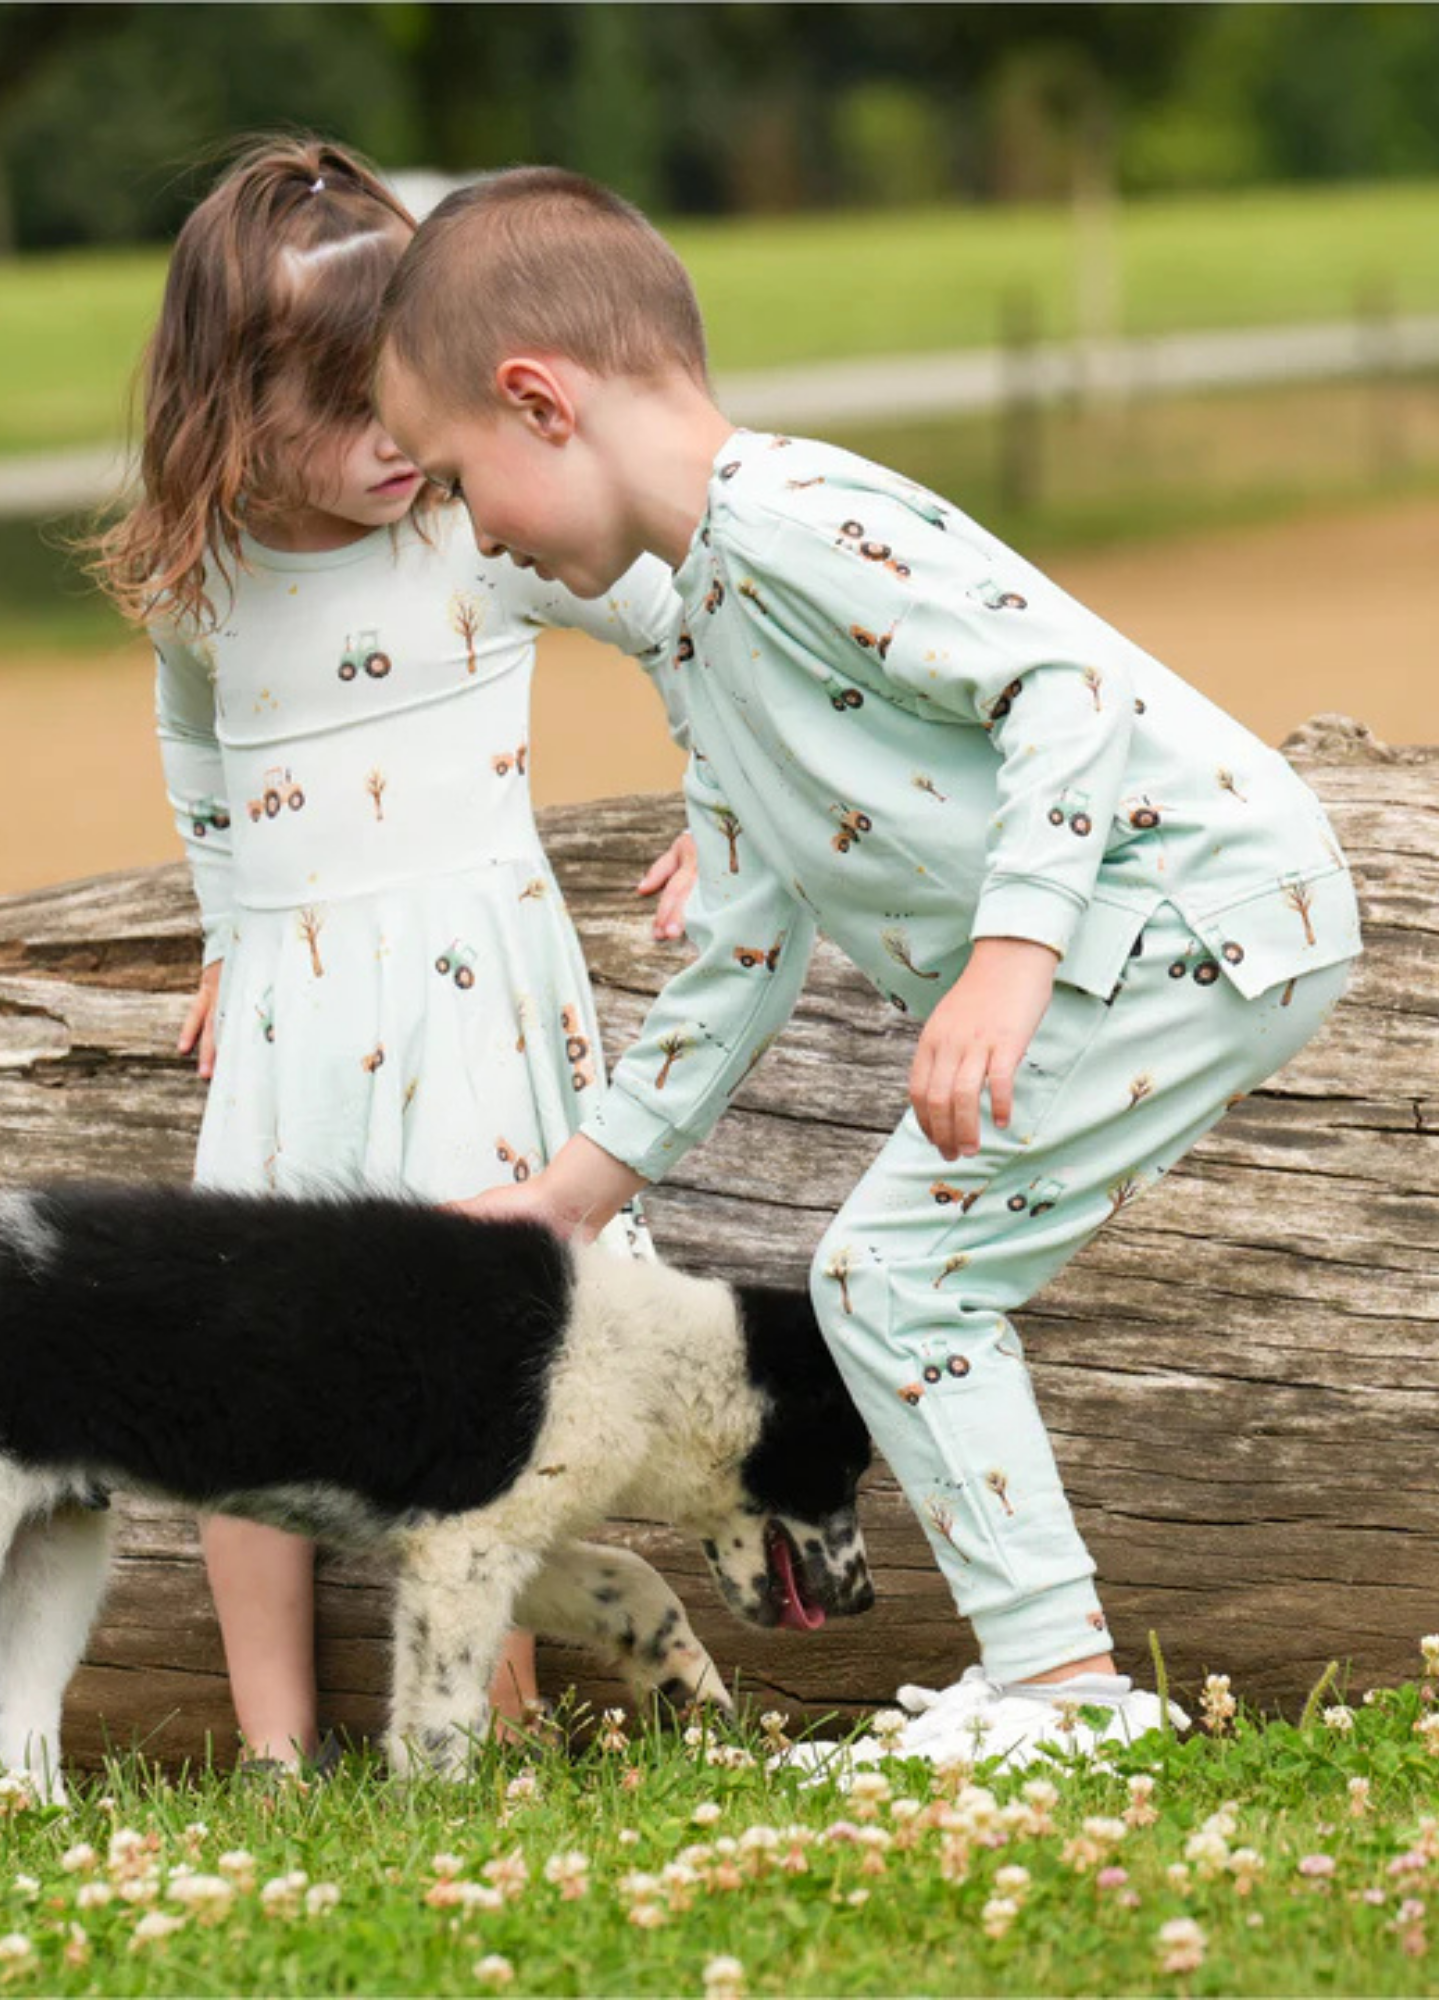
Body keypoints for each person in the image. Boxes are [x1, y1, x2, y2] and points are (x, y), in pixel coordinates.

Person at [372, 167, 1362, 1766]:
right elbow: (745, 949)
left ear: (538, 403)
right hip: (1158, 929)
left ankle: (1057, 1698)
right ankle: (1051, 1683)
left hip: (1198, 914)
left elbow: (1058, 686)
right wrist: (572, 1195)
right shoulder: (706, 631)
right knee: (902, 1277)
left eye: (455, 481)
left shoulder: (791, 522)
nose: (471, 530)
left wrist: (1009, 962)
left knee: (895, 1277)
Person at [87, 140, 693, 1777]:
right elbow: (196, 745)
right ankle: (278, 1751)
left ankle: (478, 1739)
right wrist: (227, 927)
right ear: (228, 400)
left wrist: (723, 803)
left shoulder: (476, 536)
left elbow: (682, 605)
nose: (393, 443)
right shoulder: (202, 585)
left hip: (465, 999)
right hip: (293, 1020)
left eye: (408, 399)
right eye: (345, 406)